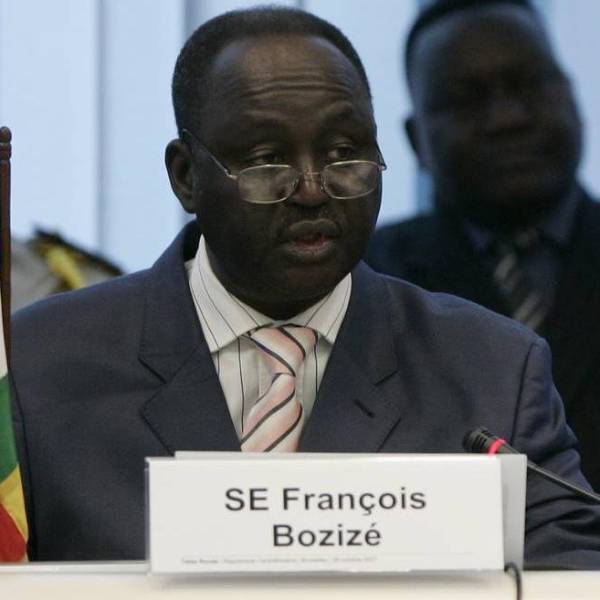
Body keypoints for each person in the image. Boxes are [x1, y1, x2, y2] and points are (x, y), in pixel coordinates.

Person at [9, 6, 600, 567]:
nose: (314, 190)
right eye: (268, 159)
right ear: (186, 177)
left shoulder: (492, 368)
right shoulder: (38, 366)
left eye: (344, 153)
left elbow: (566, 573)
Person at [366, 0, 600, 491]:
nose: (506, 118)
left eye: (527, 84)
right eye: (467, 100)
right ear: (416, 140)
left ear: (571, 93)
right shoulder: (366, 281)